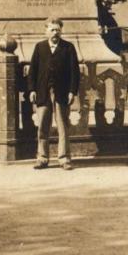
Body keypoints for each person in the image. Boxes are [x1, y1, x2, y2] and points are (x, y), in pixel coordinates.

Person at [27, 17, 80, 170]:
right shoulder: (39, 47)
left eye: (58, 29)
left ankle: (64, 159)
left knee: (63, 126)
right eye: (52, 29)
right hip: (43, 93)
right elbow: (32, 72)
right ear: (46, 31)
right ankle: (42, 158)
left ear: (61, 31)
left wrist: (72, 91)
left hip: (62, 93)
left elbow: (74, 72)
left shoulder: (68, 48)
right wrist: (31, 90)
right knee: (43, 126)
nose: (55, 33)